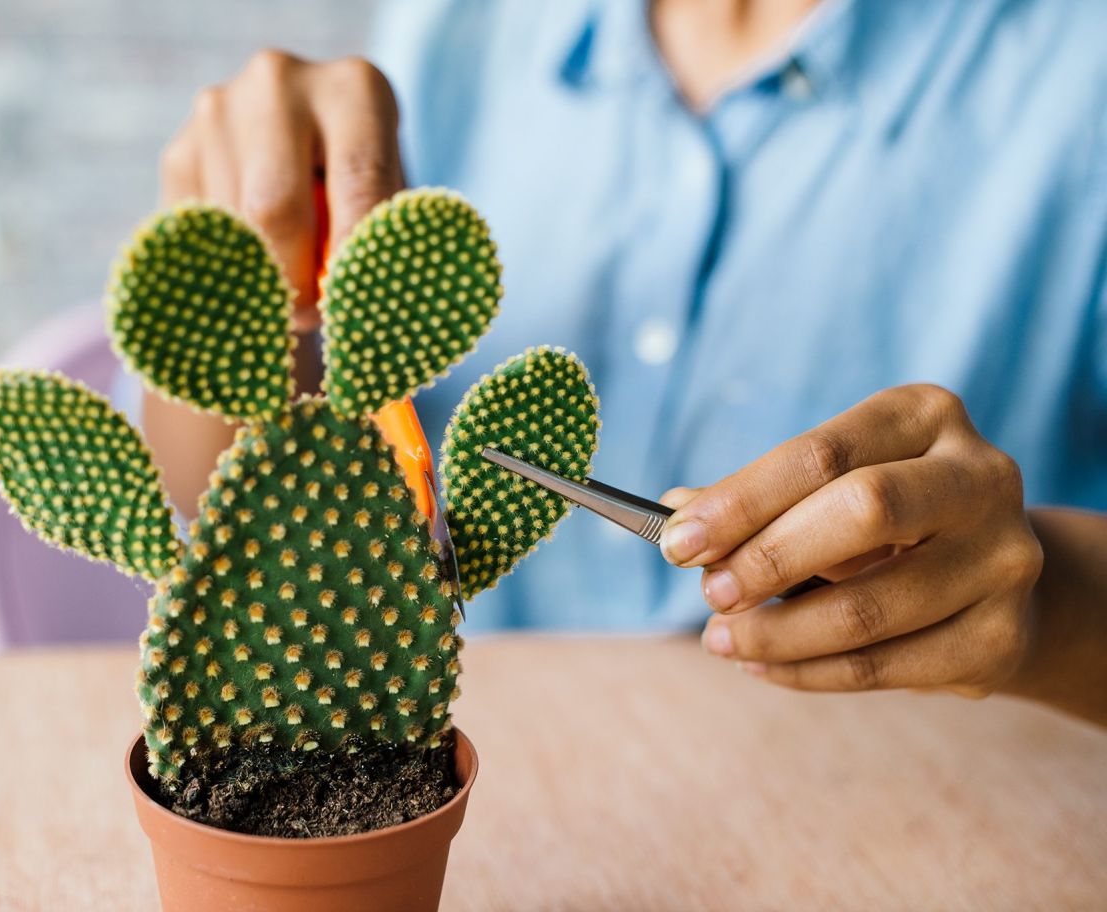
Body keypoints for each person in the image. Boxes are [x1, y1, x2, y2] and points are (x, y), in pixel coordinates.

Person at [139, 0, 1107, 727]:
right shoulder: (460, 27)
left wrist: (1050, 600)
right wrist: (231, 275)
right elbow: (201, 491)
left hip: (933, 808)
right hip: (470, 767)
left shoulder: (1076, 78)